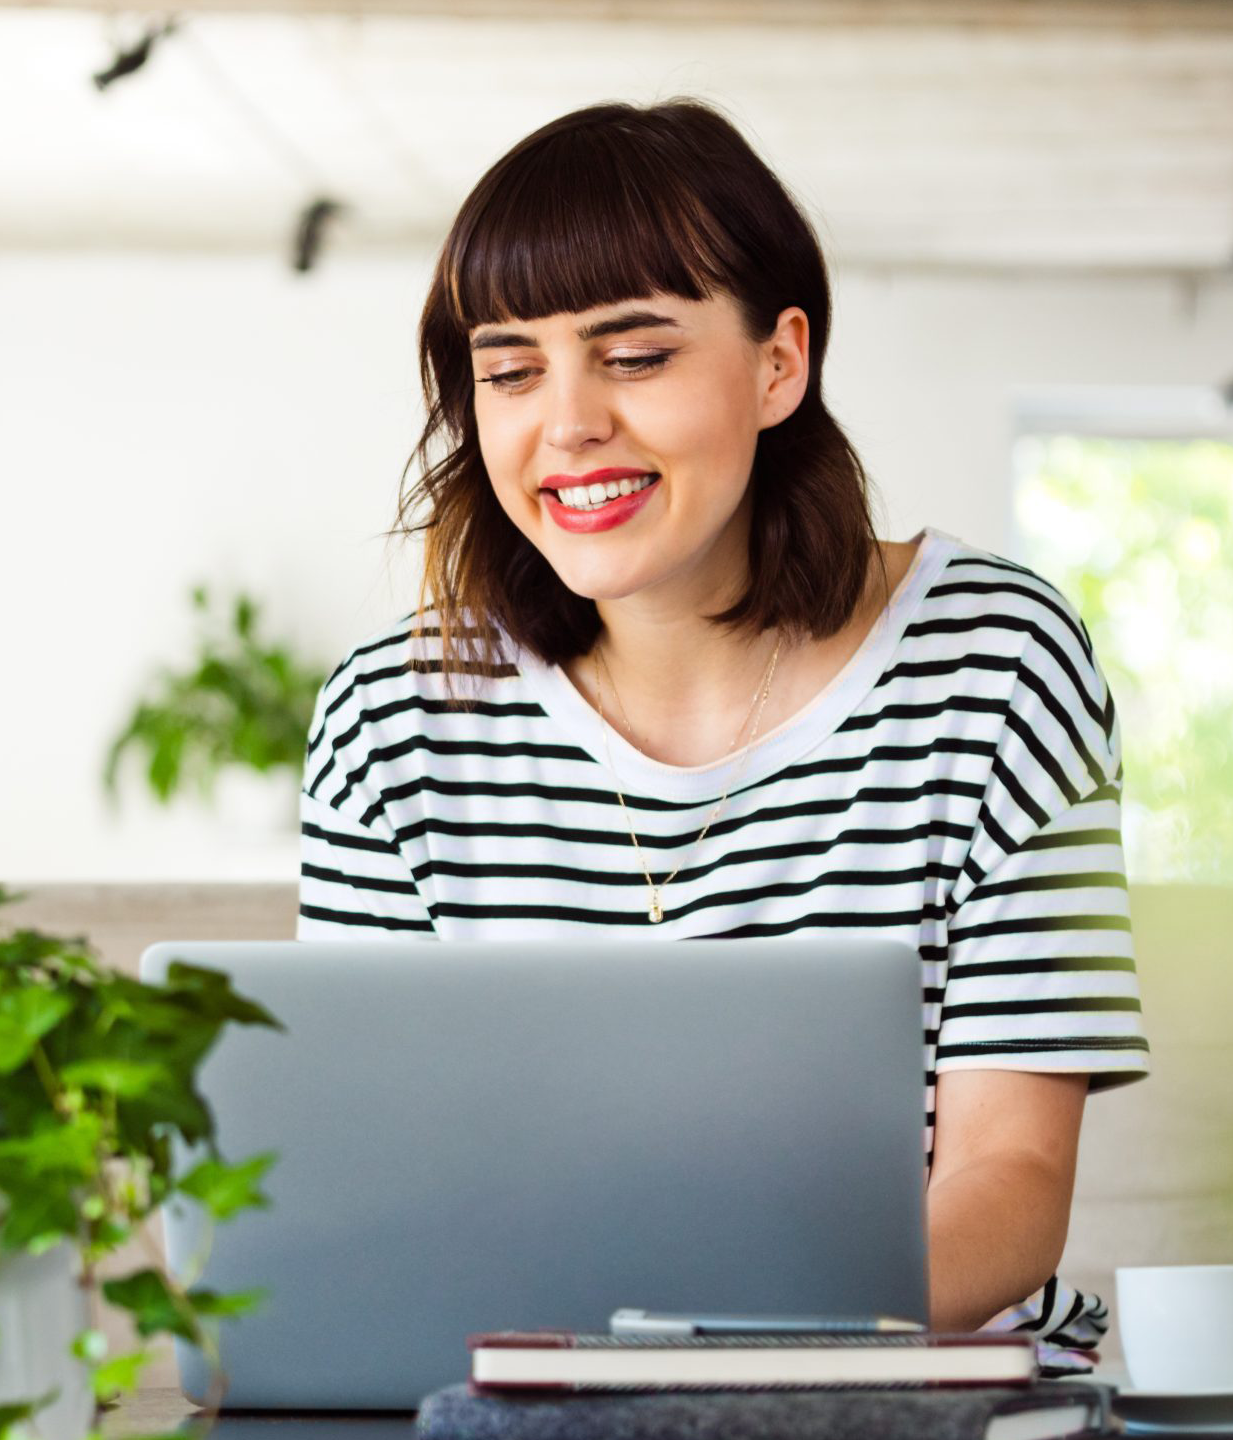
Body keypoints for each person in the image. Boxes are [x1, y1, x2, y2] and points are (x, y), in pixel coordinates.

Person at [295, 97, 1147, 1375]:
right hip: (533, 1393)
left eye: (633, 355)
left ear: (777, 364)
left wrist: (702, 1368)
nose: (567, 423)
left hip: (901, 1382)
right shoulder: (391, 720)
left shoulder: (994, 659)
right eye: (511, 368)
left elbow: (1010, 1178)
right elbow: (366, 1188)